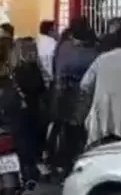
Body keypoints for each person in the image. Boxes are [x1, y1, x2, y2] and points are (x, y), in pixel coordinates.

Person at [51, 20, 99, 172]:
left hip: (66, 93)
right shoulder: (94, 52)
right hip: (86, 94)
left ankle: (64, 162)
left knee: (68, 130)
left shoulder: (64, 48)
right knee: (81, 131)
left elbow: (57, 69)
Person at [10, 37, 48, 168]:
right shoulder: (30, 69)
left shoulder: (18, 69)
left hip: (25, 108)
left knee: (26, 138)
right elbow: (40, 87)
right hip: (32, 107)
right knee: (32, 138)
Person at [36, 20, 57, 85]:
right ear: (49, 31)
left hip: (38, 74)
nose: (56, 32)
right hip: (48, 74)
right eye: (54, 30)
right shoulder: (51, 41)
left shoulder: (37, 39)